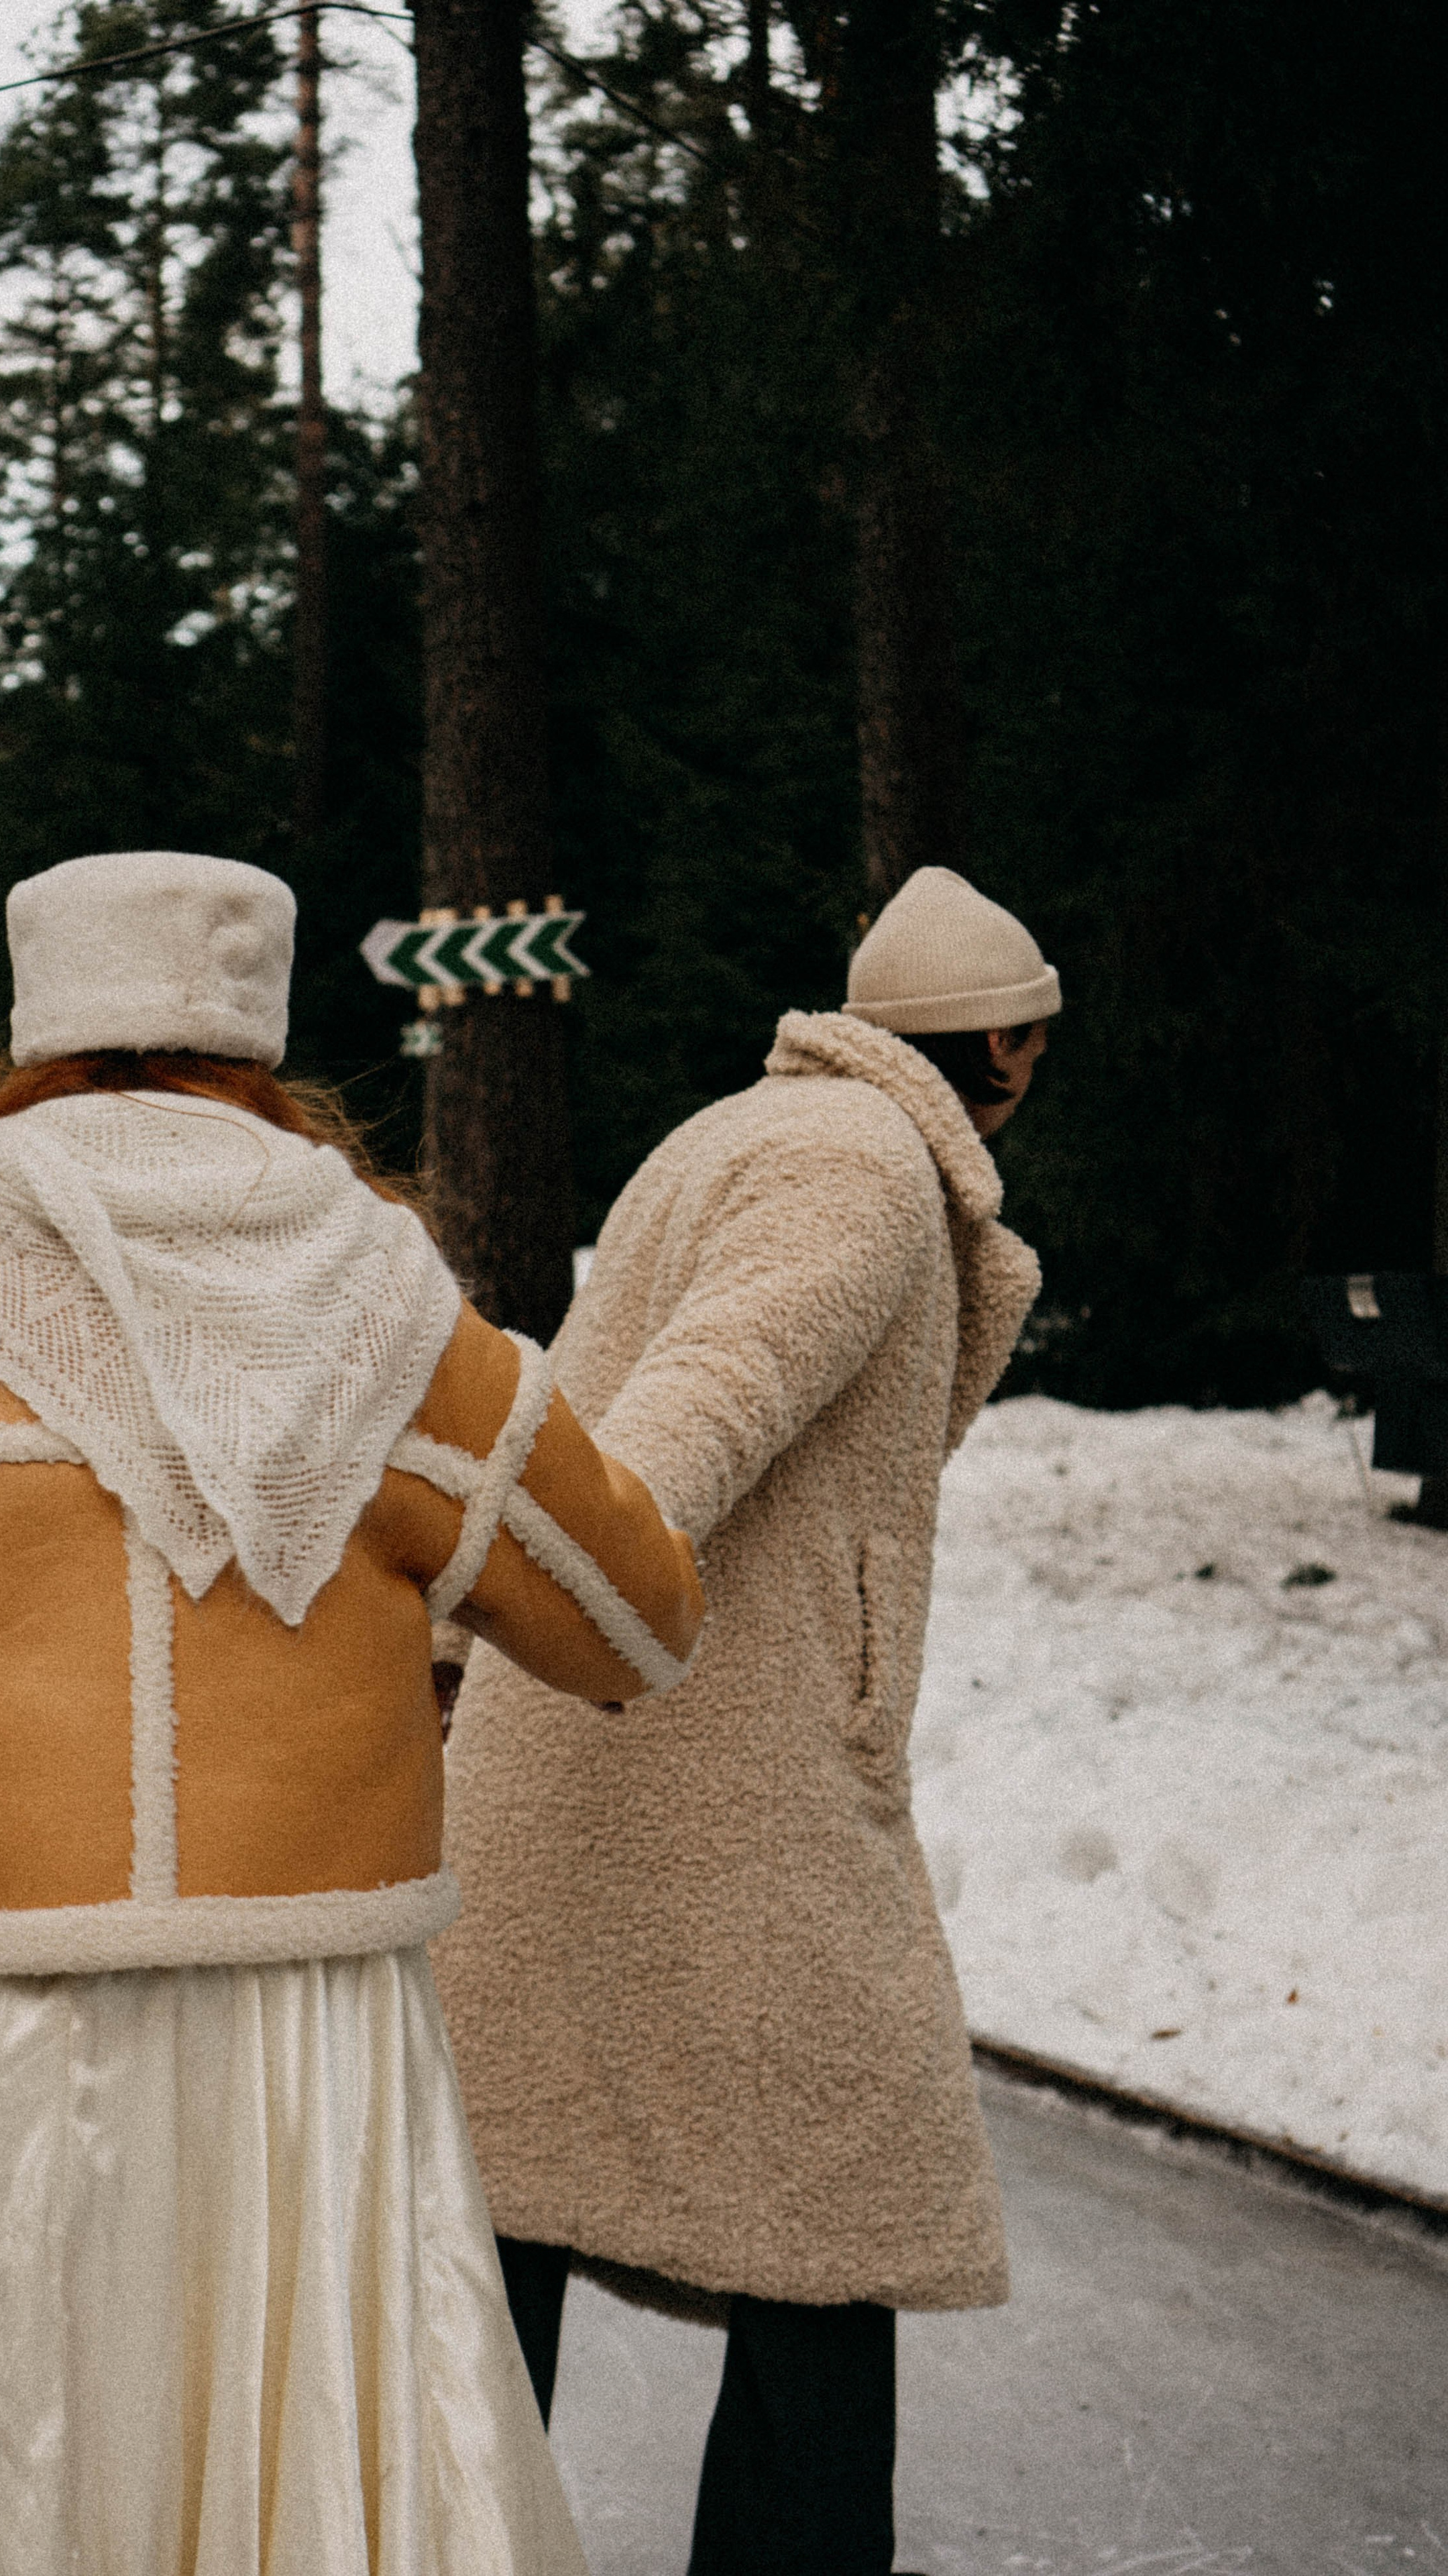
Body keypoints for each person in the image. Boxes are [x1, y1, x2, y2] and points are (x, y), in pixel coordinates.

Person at [0, 849, 704, 2576]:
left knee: (33, 2446)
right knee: (325, 2443)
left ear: (41, 1022)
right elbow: (628, 1615)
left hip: (15, 2020)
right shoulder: (384, 1294)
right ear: (253, 1023)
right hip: (310, 2018)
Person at [432, 865, 1060, 2575]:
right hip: (717, 1755)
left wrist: (520, 1642)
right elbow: (694, 1404)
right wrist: (583, 1588)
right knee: (839, 2210)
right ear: (998, 1040)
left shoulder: (729, 1131)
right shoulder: (856, 1170)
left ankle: (449, 2544)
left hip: (606, 1730)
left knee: (514, 2210)